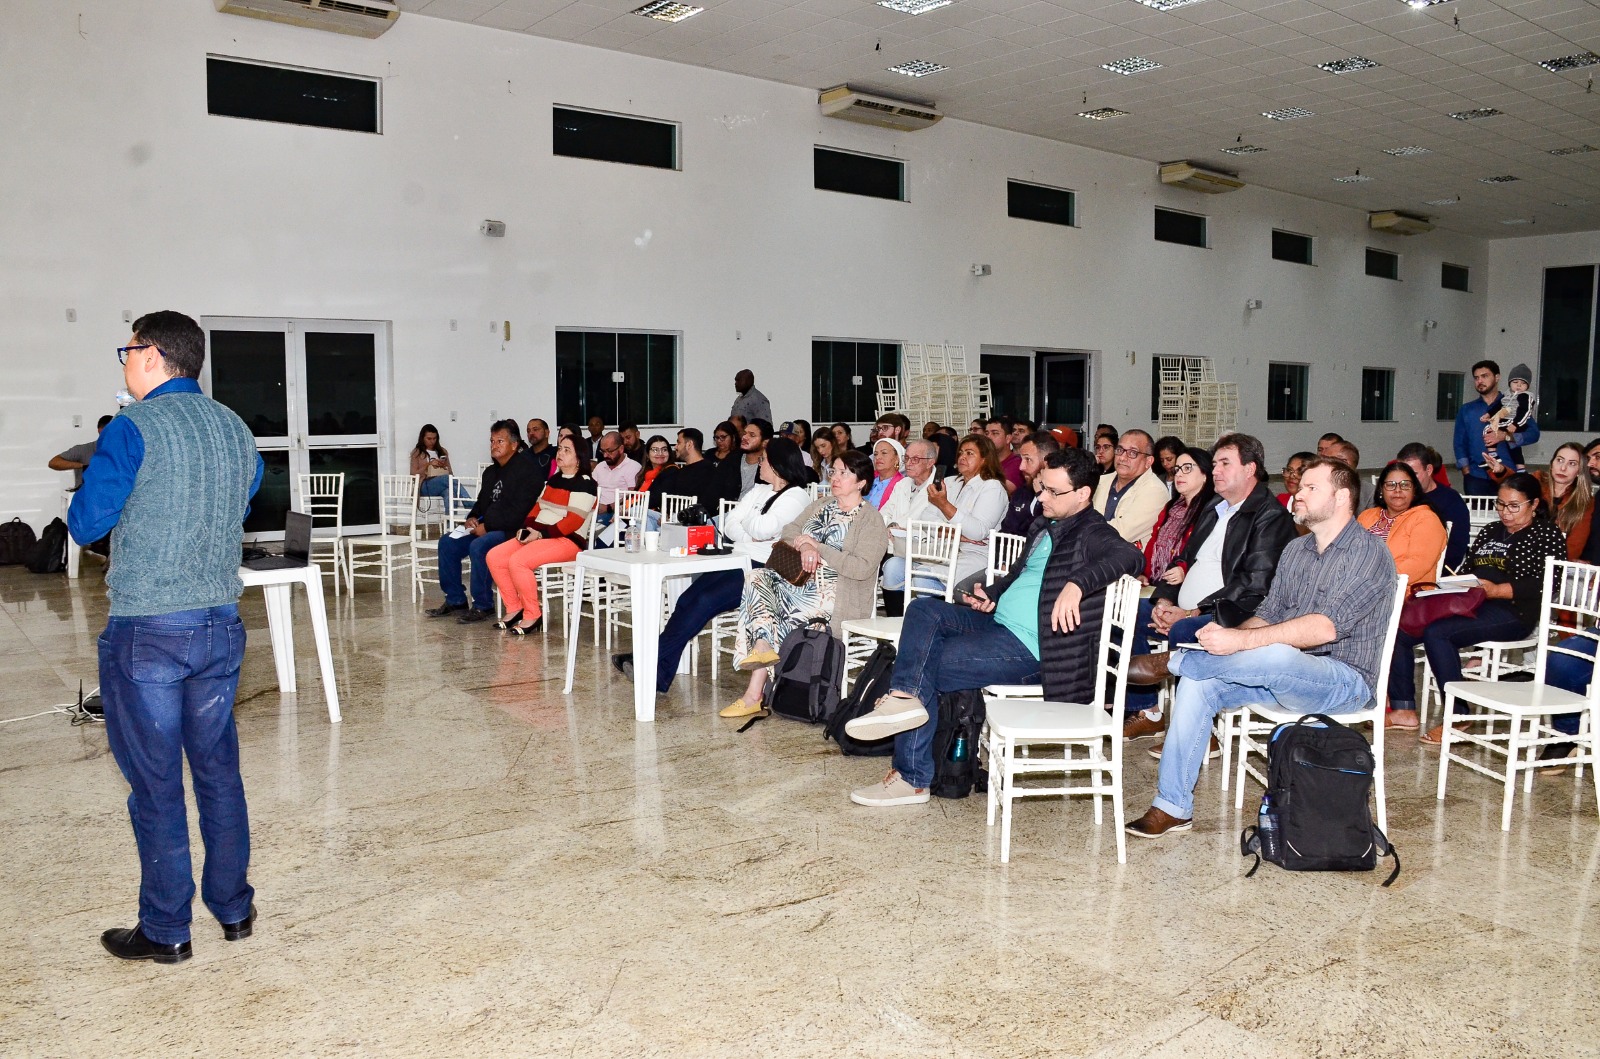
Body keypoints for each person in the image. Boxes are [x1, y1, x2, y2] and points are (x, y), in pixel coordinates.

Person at [68, 310, 264, 964]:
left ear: (151, 356)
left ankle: (166, 928)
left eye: (127, 349)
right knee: (217, 770)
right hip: (218, 627)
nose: (123, 361)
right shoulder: (234, 427)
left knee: (155, 783)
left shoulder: (133, 428)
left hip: (149, 631)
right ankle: (233, 908)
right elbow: (244, 495)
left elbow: (86, 520)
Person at [845, 446, 1144, 806]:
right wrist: (993, 592)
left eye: (1053, 491)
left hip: (1033, 650)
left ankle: (911, 775)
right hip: (997, 626)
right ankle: (904, 699)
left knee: (926, 663)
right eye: (1041, 487)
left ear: (1082, 495)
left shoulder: (1092, 531)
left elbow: (1130, 556)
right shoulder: (1045, 524)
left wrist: (1077, 584)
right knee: (923, 610)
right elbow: (1019, 573)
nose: (1041, 496)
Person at [1125, 458, 1399, 838]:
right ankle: (1172, 806)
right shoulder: (1297, 550)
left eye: (1310, 488)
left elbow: (1325, 627)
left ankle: (1176, 661)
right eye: (1299, 487)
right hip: (1282, 672)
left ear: (1342, 497)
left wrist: (1240, 640)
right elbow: (1268, 615)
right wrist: (1230, 642)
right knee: (1200, 684)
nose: (1297, 494)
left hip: (1343, 681)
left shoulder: (1368, 554)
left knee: (1276, 653)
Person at [1125, 434, 1298, 745]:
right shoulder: (1216, 506)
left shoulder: (1270, 516)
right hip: (1186, 605)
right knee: (1129, 614)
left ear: (1250, 469)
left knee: (1187, 632)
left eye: (1224, 463)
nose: (1215, 470)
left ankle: (1198, 731)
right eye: (1214, 463)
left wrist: (1191, 612)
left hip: (1234, 613)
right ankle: (1147, 711)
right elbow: (1184, 559)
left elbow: (1254, 584)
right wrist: (1165, 600)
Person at [612, 438, 815, 694]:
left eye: (763, 460)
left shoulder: (796, 496)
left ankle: (644, 659)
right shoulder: (760, 490)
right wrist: (750, 528)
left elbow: (762, 529)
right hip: (736, 559)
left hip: (763, 571)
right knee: (687, 599)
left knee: (704, 601)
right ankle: (657, 674)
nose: (759, 464)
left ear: (776, 465)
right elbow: (730, 524)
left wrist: (749, 522)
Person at [1386, 472, 1566, 736]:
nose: (1505, 513)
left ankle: (1458, 717)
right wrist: (1453, 584)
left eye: (1514, 506)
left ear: (1534, 504)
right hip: (1471, 603)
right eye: (1500, 504)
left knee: (1438, 634)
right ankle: (1403, 709)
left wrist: (1496, 591)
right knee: (1400, 629)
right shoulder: (1492, 530)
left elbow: (1546, 584)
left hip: (1514, 611)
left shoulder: (1545, 535)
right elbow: (1467, 568)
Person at [719, 449, 889, 718]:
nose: (835, 477)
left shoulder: (871, 520)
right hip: (799, 582)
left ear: (861, 482)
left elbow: (861, 568)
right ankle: (762, 648)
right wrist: (803, 545)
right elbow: (789, 530)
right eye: (833, 471)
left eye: (844, 473)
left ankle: (754, 692)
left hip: (837, 593)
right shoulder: (821, 505)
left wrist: (818, 547)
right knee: (756, 577)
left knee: (773, 610)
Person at [1122, 448, 1214, 731]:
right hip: (1162, 588)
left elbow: (1191, 559)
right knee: (1123, 613)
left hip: (1189, 597)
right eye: (1177, 469)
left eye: (1188, 468)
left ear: (1205, 475)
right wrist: (1144, 572)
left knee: (1142, 616)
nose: (1178, 474)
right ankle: (1145, 706)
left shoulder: (1209, 511)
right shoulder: (1173, 507)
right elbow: (1155, 546)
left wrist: (1171, 599)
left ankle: (1148, 713)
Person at [483, 435, 597, 635]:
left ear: (579, 457)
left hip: (567, 541)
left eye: (566, 450)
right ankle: (514, 607)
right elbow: (537, 507)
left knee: (518, 561)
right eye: (560, 448)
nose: (560, 453)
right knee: (495, 556)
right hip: (541, 535)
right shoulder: (554, 479)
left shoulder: (585, 484)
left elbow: (572, 523)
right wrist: (526, 528)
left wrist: (540, 535)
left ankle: (532, 614)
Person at [429, 420, 542, 622]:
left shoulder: (527, 471)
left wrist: (487, 527)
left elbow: (519, 512)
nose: (494, 445)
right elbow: (481, 503)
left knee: (480, 546)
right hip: (486, 526)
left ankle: (483, 605)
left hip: (512, 531)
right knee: (447, 542)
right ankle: (455, 600)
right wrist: (472, 517)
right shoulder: (491, 472)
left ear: (514, 445)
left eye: (500, 441)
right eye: (492, 441)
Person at [922, 434, 1009, 594]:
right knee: (895, 568)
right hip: (942, 550)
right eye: (961, 452)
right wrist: (958, 535)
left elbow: (977, 532)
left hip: (975, 556)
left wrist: (944, 505)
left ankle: (936, 616)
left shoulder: (992, 487)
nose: (962, 457)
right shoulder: (950, 482)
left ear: (985, 459)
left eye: (969, 453)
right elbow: (926, 520)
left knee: (923, 578)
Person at [1456, 359, 1541, 496]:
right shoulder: (1467, 410)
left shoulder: (1515, 404)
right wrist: (1466, 471)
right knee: (1478, 516)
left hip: (1508, 475)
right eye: (1476, 378)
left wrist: (1506, 436)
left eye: (1485, 376)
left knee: (1508, 515)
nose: (1480, 381)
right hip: (1476, 477)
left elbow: (1533, 434)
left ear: (1497, 378)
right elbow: (1459, 442)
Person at [1357, 461, 1448, 588]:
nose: (1398, 490)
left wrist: (1372, 580)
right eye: (1390, 485)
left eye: (1405, 485)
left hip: (1404, 594)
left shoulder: (1426, 519)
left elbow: (1418, 564)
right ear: (1381, 489)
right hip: (1359, 587)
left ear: (1414, 490)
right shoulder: (1367, 516)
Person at [878, 438, 942, 615]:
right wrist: (891, 525)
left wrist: (900, 526)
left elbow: (933, 523)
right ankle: (894, 622)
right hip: (897, 548)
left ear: (930, 462)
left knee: (919, 577)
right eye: (907, 458)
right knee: (891, 568)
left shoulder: (941, 486)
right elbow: (884, 512)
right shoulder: (903, 484)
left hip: (926, 551)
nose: (909, 463)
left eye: (915, 459)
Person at [1397, 443, 1471, 572]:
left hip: (1434, 571)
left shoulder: (1450, 501)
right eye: (1403, 475)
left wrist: (1435, 575)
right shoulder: (1397, 498)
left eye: (1414, 474)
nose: (1408, 481)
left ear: (1429, 470)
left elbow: (1456, 547)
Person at [1092, 429, 1169, 548]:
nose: (1122, 458)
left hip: (1128, 562)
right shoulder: (1100, 481)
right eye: (1119, 450)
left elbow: (1122, 533)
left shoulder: (1155, 491)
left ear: (1148, 461)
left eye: (1132, 453)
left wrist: (1082, 530)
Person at [1528, 442, 1593, 561]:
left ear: (1580, 471)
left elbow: (1574, 547)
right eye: (1559, 460)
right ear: (1552, 464)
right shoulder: (1537, 481)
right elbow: (1515, 485)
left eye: (1572, 464)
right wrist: (1500, 471)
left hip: (1557, 564)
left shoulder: (1586, 503)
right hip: (1522, 554)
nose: (1563, 468)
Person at [999, 430, 1061, 537]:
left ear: (1047, 462)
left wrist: (1040, 495)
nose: (1021, 467)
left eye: (1027, 459)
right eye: (1021, 459)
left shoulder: (1062, 497)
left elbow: (1042, 535)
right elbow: (1006, 532)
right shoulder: (1021, 493)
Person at [1481, 364, 1537, 472]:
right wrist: (1488, 414)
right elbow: (1497, 406)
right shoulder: (1506, 396)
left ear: (1528, 386)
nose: (1519, 386)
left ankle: (1494, 455)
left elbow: (1524, 411)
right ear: (1509, 383)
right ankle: (1520, 468)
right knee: (1514, 446)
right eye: (1515, 382)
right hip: (1506, 421)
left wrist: (1515, 424)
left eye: (1523, 383)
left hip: (1516, 423)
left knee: (1490, 430)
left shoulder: (1525, 396)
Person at [51, 413, 115, 490]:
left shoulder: (122, 451)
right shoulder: (83, 449)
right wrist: (83, 466)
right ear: (100, 431)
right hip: (86, 496)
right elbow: (54, 462)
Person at [590, 430, 642, 523]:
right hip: (595, 510)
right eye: (603, 451)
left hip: (617, 513)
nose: (605, 455)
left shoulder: (633, 467)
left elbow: (633, 495)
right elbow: (590, 488)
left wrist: (608, 507)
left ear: (621, 449)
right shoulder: (600, 466)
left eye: (609, 451)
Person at [410, 424, 461, 501]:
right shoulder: (417, 452)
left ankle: (450, 513)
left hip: (441, 484)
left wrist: (443, 467)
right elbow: (413, 474)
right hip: (424, 485)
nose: (432, 441)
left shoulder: (443, 451)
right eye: (429, 439)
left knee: (450, 493)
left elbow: (450, 473)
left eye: (434, 438)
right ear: (423, 438)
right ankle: (470, 505)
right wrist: (428, 465)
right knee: (447, 479)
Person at [734, 418, 773, 498]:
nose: (745, 437)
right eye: (744, 433)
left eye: (752, 435)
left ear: (765, 443)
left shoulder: (771, 467)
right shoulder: (732, 460)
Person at [867, 437, 907, 511]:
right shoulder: (867, 478)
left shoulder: (903, 484)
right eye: (875, 454)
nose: (878, 457)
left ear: (897, 459)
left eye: (884, 453)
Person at [984, 417, 1023, 493]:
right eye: (986, 433)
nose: (988, 437)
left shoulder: (1017, 463)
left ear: (1008, 438)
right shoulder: (984, 461)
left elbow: (999, 491)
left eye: (995, 433)